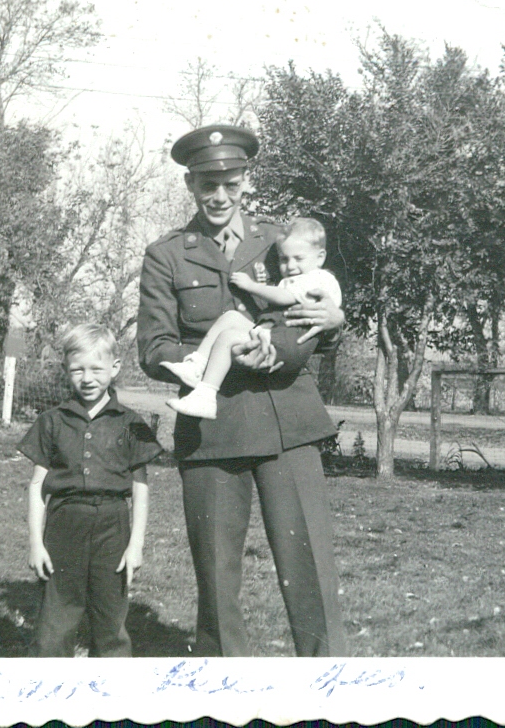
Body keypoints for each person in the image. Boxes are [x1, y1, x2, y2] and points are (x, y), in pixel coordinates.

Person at [137, 123, 348, 657]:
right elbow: (154, 347)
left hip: (286, 422)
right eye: (208, 184)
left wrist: (314, 332)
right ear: (190, 183)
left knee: (311, 573)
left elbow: (313, 311)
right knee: (216, 581)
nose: (219, 196)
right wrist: (204, 362)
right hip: (214, 429)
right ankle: (224, 688)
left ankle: (331, 684)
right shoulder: (167, 254)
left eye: (231, 184)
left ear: (246, 181)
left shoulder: (279, 241)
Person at [19, 323, 161, 657]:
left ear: (115, 367)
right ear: (65, 369)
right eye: (77, 370)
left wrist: (136, 545)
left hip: (113, 527)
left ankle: (111, 687)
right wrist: (36, 543)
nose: (87, 378)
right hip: (64, 525)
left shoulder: (130, 423)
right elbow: (37, 486)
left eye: (96, 369)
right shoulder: (52, 421)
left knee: (110, 620)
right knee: (55, 620)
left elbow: (140, 488)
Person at [164, 217, 342, 420]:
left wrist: (251, 286)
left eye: (298, 259)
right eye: (284, 259)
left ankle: (206, 396)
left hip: (291, 341)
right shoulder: (301, 277)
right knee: (231, 317)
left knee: (227, 337)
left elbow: (285, 297)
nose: (290, 266)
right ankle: (196, 364)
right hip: (277, 332)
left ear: (320, 257)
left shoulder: (319, 278)